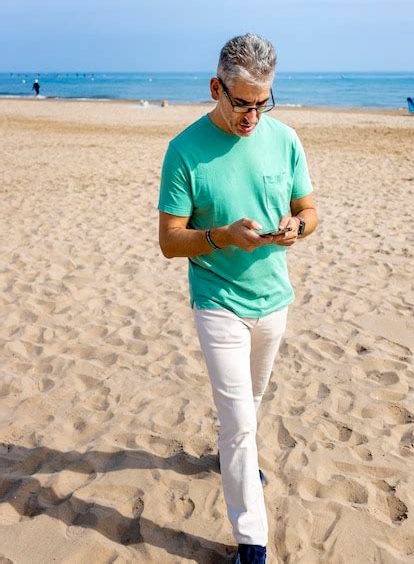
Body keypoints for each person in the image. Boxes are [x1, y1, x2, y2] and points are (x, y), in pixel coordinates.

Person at [158, 33, 318, 564]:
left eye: (262, 102)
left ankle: (235, 457)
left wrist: (298, 226)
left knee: (249, 403)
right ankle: (253, 541)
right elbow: (168, 240)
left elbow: (309, 210)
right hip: (216, 296)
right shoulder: (183, 150)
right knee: (239, 421)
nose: (252, 115)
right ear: (215, 88)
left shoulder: (285, 139)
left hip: (274, 299)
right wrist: (220, 236)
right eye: (241, 101)